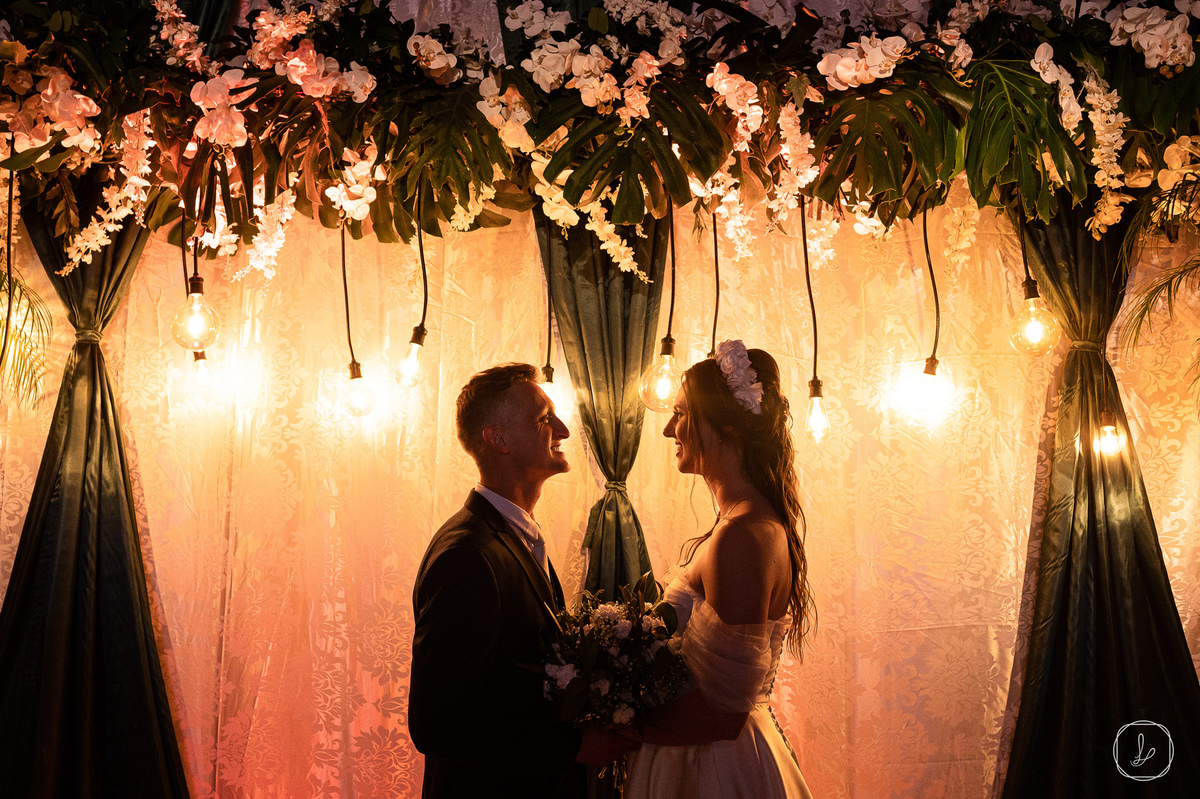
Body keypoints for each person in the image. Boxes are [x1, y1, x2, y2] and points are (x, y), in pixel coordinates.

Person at [409, 363, 636, 799]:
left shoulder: (513, 535)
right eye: (543, 419)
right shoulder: (466, 556)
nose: (564, 430)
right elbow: (437, 723)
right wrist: (574, 746)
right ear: (499, 439)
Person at [624, 341, 816, 799]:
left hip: (712, 768)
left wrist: (614, 731)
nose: (670, 429)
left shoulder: (742, 537)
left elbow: (724, 713)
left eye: (682, 413)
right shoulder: (746, 523)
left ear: (726, 426)